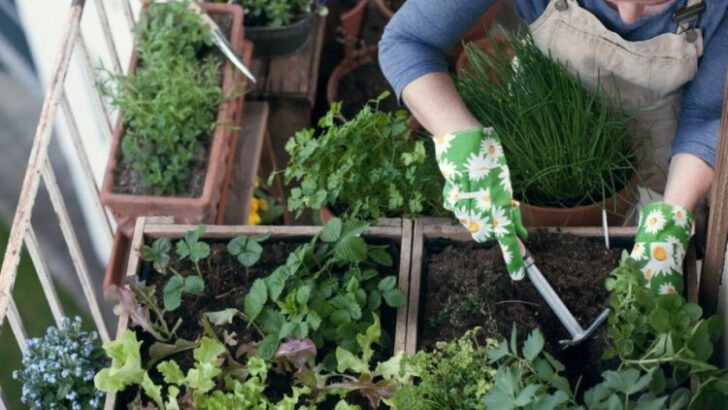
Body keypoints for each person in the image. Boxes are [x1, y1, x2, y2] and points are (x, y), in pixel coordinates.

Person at [379, 0, 727, 295]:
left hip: (662, 146)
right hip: (541, 130)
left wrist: (673, 215)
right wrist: (461, 137)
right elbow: (408, 40)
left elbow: (707, 114)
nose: (630, 15)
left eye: (656, 2)